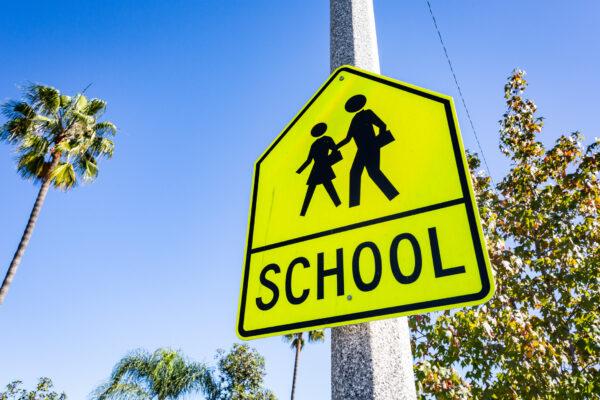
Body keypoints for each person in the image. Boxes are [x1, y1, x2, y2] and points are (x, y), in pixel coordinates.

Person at [337, 94, 399, 207]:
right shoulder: (354, 120)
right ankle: (354, 205)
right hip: (361, 150)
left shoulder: (368, 113)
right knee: (354, 173)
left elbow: (382, 125)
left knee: (373, 172)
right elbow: (348, 139)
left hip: (371, 146)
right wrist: (336, 147)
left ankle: (394, 196)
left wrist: (378, 142)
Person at [296, 122, 342, 216]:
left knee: (326, 187)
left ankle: (303, 213)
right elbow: (334, 150)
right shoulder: (324, 140)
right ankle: (303, 213)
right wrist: (298, 172)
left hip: (319, 167)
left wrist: (299, 171)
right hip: (320, 167)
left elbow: (309, 161)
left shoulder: (319, 143)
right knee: (322, 188)